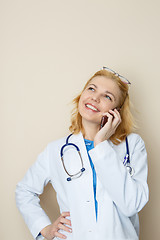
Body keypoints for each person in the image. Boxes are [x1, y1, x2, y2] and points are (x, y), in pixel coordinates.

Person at [15, 66, 149, 240]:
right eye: (92, 88)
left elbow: (131, 205)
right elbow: (24, 190)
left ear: (117, 111)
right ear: (82, 94)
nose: (95, 97)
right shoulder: (56, 150)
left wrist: (100, 144)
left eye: (107, 96)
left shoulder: (133, 145)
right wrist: (44, 229)